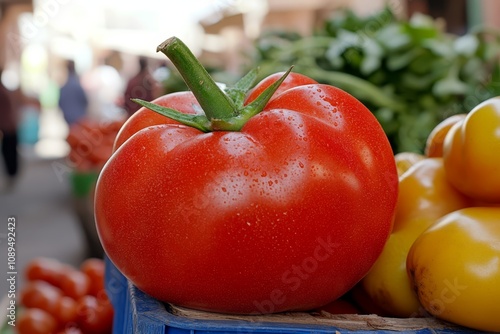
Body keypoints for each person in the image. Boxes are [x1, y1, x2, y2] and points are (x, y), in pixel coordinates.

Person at [0, 68, 19, 187]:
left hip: (7, 127)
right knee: (9, 152)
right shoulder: (4, 90)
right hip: (9, 126)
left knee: (9, 152)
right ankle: (11, 176)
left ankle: (11, 177)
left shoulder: (2, 91)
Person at [59, 60, 88, 126]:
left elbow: (60, 102)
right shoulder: (77, 84)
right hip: (79, 116)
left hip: (68, 117)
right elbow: (85, 100)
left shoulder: (64, 86)